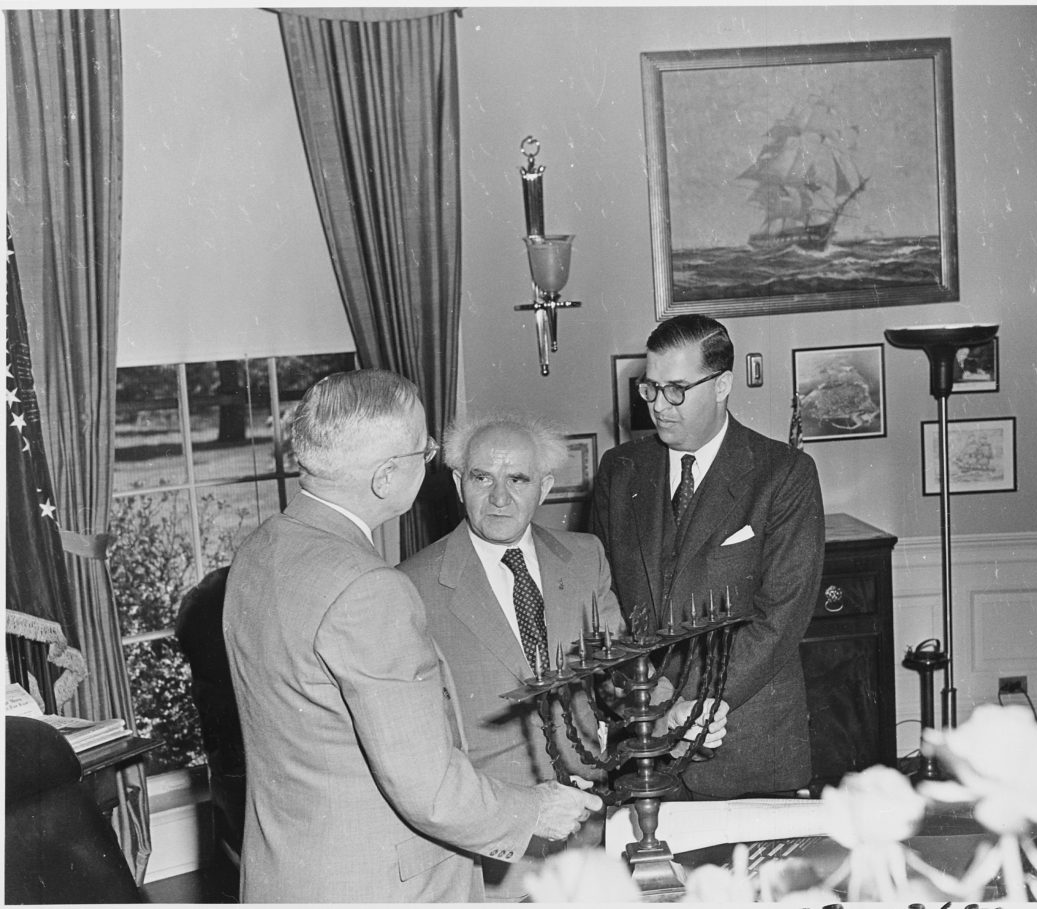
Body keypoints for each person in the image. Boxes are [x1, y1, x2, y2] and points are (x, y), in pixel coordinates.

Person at [222, 370, 600, 903]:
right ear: (385, 478)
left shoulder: (260, 551)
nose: (430, 461)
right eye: (424, 451)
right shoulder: (372, 589)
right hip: (380, 885)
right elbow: (431, 790)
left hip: (289, 875)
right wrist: (535, 808)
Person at [399, 412, 727, 898]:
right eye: (481, 477)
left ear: (546, 487)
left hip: (586, 834)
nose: (500, 497)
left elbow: (620, 670)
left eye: (518, 479)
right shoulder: (411, 584)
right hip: (490, 854)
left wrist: (669, 714)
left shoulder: (584, 557)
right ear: (456, 481)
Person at [591, 314, 825, 800]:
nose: (659, 406)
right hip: (644, 743)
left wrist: (694, 704)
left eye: (677, 389)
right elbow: (604, 598)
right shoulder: (620, 470)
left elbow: (780, 616)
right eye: (650, 388)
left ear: (722, 386)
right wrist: (655, 706)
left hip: (746, 745)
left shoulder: (784, 474)